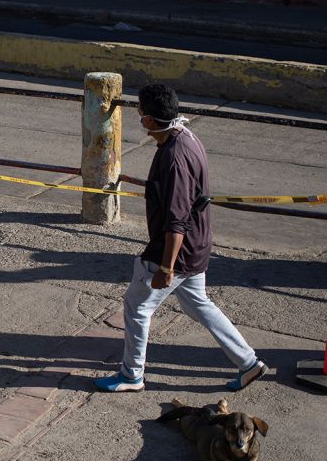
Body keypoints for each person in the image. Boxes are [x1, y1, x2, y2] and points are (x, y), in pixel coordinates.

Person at [96, 83, 266, 393]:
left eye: (140, 111)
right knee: (199, 305)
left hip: (176, 250)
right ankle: (249, 362)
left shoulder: (174, 158)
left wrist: (166, 268)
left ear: (148, 120)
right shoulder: (187, 137)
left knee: (137, 308)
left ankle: (131, 375)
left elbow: (176, 221)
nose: (138, 115)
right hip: (198, 246)